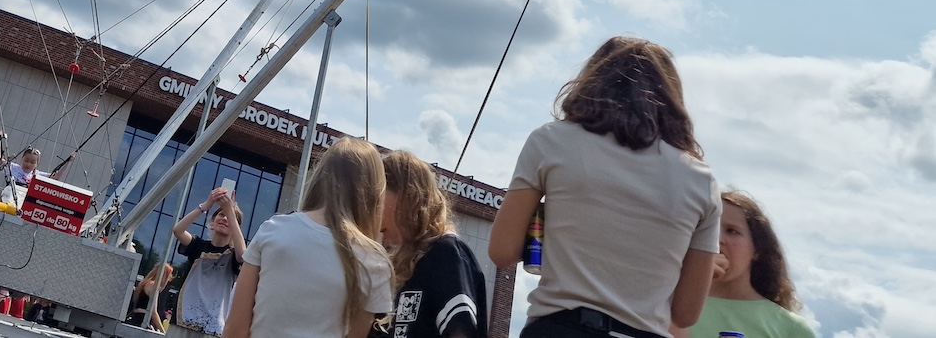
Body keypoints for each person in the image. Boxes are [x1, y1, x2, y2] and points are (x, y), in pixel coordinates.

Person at [489, 36, 721, 338]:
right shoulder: (701, 180)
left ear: (592, 80)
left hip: (561, 329)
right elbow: (686, 313)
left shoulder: (551, 142)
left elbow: (502, 251)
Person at [225, 137, 392, 338]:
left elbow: (235, 329)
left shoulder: (274, 229)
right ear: (374, 190)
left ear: (320, 177)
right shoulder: (374, 260)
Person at [374, 151, 487, 338]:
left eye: (377, 199)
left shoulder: (445, 253)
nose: (372, 211)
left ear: (406, 196)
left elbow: (460, 329)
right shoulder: (399, 266)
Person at [677, 192, 814, 338]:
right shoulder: (667, 309)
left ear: (757, 249)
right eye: (708, 229)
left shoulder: (791, 328)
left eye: (732, 231)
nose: (717, 239)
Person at [170, 186, 247, 338]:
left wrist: (231, 210)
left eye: (229, 217)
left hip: (213, 327)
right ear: (213, 221)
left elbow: (244, 256)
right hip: (183, 319)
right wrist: (206, 205)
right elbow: (178, 230)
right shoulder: (198, 246)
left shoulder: (232, 255)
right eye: (221, 215)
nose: (224, 218)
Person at [127, 262, 174, 332]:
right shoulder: (153, 286)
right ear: (164, 276)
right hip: (141, 323)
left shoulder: (145, 283)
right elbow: (154, 313)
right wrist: (163, 333)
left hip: (136, 320)